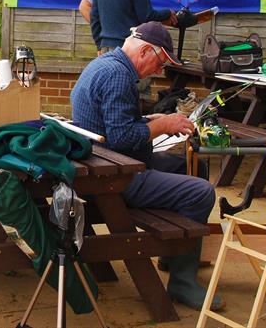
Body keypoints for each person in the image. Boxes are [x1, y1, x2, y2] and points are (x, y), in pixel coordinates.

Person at [71, 21, 224, 311]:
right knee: (201, 192)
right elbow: (121, 136)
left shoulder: (104, 64)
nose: (159, 71)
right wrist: (164, 123)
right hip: (116, 177)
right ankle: (182, 281)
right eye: (160, 61)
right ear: (144, 51)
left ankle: (175, 252)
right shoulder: (118, 76)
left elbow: (113, 124)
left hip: (103, 164)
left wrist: (149, 122)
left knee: (193, 169)